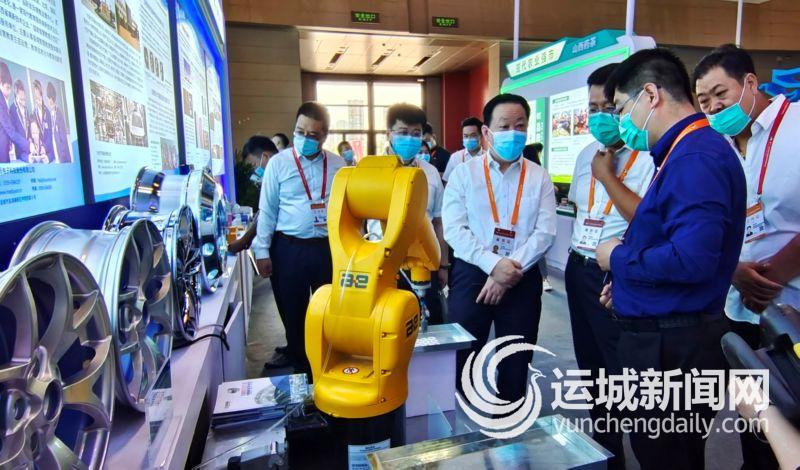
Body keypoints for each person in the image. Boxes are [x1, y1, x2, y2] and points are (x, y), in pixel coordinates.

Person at [595, 48, 746, 469]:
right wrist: (628, 284)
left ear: (650, 94)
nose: (621, 122)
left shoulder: (696, 157)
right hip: (665, 338)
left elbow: (692, 260)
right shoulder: (683, 152)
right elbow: (672, 240)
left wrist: (618, 259)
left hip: (673, 349)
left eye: (621, 109)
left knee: (668, 457)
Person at [694, 43, 800, 470]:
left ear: (751, 82)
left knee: (794, 415)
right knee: (754, 423)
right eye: (704, 101)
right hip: (739, 309)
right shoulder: (716, 147)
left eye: (720, 94)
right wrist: (733, 271)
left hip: (794, 310)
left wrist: (775, 275)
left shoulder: (796, 126)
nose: (713, 107)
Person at [564, 63, 655, 470]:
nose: (600, 117)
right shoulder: (586, 154)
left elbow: (648, 221)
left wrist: (607, 178)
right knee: (593, 370)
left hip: (616, 275)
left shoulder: (650, 155)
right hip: (579, 268)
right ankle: (608, 455)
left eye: (609, 107)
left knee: (623, 371)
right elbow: (580, 211)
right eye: (593, 108)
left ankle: (644, 451)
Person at [443, 93, 556, 403]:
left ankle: (509, 420)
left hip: (522, 276)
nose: (513, 133)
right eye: (504, 126)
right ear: (487, 132)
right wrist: (494, 265)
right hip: (472, 275)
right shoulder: (464, 174)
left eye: (520, 126)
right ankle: (464, 418)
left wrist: (509, 270)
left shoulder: (539, 176)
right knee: (464, 354)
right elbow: (455, 229)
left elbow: (545, 232)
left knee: (516, 359)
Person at [252, 102, 345, 374]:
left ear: (324, 136)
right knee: (293, 310)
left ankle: (327, 364)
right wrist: (262, 251)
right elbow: (267, 210)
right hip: (289, 248)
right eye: (300, 132)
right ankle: (301, 366)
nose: (305, 138)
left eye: (312, 134)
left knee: (328, 309)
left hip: (327, 248)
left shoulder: (338, 165)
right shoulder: (278, 164)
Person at [366, 103, 449, 325]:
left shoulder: (430, 172)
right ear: (389, 134)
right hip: (382, 262)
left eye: (416, 134)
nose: (410, 139)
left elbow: (439, 222)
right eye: (403, 132)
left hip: (423, 260)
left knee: (428, 322)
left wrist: (443, 264)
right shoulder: (370, 170)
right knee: (387, 323)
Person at [522, 143, 556, 293]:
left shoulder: (539, 175)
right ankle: (544, 278)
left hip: (534, 224)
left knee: (537, 246)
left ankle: (544, 278)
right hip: (525, 223)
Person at [0, 62, 29, 164]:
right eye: (7, 88)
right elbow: (11, 131)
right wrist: (28, 145)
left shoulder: (4, 101)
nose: (9, 93)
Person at [442, 117, 484, 183]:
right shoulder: (455, 158)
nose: (469, 139)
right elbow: (447, 182)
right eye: (466, 136)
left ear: (481, 136)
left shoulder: (488, 157)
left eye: (473, 135)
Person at [46, 82, 71, 163]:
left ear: (54, 100)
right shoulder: (51, 114)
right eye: (49, 99)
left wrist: (62, 156)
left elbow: (63, 138)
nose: (49, 102)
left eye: (51, 101)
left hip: (63, 155)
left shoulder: (59, 115)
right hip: (57, 152)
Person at [31, 80, 53, 160]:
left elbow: (50, 134)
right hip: (39, 151)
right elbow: (34, 132)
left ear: (42, 96)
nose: (38, 101)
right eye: (36, 98)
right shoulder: (34, 112)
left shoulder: (47, 112)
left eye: (39, 98)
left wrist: (45, 147)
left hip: (49, 149)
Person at [9, 80, 29, 162]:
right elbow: (13, 134)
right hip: (20, 152)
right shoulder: (12, 109)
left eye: (23, 93)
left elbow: (28, 128)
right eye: (20, 94)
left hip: (29, 150)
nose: (23, 96)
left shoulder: (26, 109)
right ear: (16, 94)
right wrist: (26, 144)